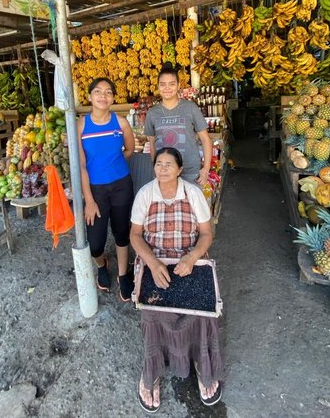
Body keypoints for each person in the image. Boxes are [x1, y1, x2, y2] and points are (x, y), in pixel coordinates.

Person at [130, 147, 223, 413]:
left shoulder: (192, 193)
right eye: (158, 163)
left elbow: (206, 234)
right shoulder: (145, 193)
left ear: (180, 169)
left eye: (169, 164)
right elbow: (135, 236)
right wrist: (152, 262)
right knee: (152, 315)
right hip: (155, 261)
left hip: (188, 261)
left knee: (204, 312)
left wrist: (192, 257)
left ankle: (201, 364)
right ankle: (152, 373)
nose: (162, 168)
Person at [77, 77, 135, 302]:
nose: (103, 96)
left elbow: (129, 149)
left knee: (121, 232)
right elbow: (81, 165)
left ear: (113, 98)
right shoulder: (81, 125)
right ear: (90, 96)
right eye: (98, 92)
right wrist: (89, 200)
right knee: (96, 243)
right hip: (96, 191)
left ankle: (123, 274)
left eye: (108, 92)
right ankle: (101, 264)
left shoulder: (121, 123)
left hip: (121, 185)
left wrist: (115, 164)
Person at [144, 63, 213, 185]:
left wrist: (206, 169)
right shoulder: (152, 113)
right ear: (158, 87)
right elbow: (152, 143)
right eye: (163, 84)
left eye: (172, 84)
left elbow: (206, 139)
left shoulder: (190, 107)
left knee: (192, 204)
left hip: (190, 171)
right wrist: (156, 167)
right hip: (165, 172)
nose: (167, 88)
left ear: (178, 85)